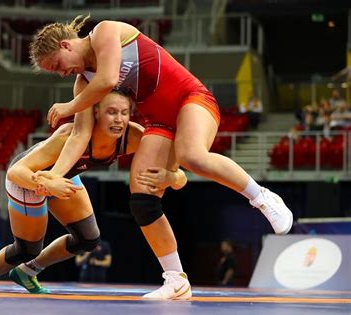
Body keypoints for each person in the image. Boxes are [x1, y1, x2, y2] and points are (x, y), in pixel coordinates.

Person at [28, 16, 293, 300]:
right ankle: (176, 279)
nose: (61, 73)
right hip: (160, 123)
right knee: (142, 197)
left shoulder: (105, 32)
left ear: (67, 45)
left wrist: (69, 106)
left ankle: (262, 196)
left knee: (192, 155)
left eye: (57, 65)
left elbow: (106, 80)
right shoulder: (83, 85)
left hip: (190, 99)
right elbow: (79, 136)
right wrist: (55, 174)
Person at [0, 91, 187, 293]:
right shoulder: (69, 135)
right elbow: (15, 172)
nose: (118, 119)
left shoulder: (134, 136)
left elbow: (180, 176)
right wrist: (47, 184)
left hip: (65, 176)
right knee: (27, 249)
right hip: (29, 180)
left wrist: (170, 177)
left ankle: (26, 272)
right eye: (111, 112)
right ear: (96, 112)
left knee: (88, 239)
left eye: (124, 113)